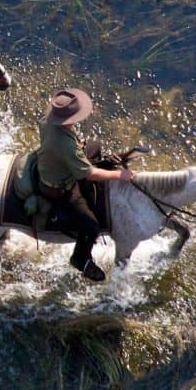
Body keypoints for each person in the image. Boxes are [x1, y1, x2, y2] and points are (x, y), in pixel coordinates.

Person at [34, 87, 133, 283]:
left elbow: (69, 143)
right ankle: (81, 258)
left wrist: (79, 143)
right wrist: (120, 175)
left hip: (51, 161)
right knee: (91, 226)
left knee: (94, 146)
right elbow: (89, 173)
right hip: (59, 187)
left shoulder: (48, 119)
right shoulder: (65, 145)